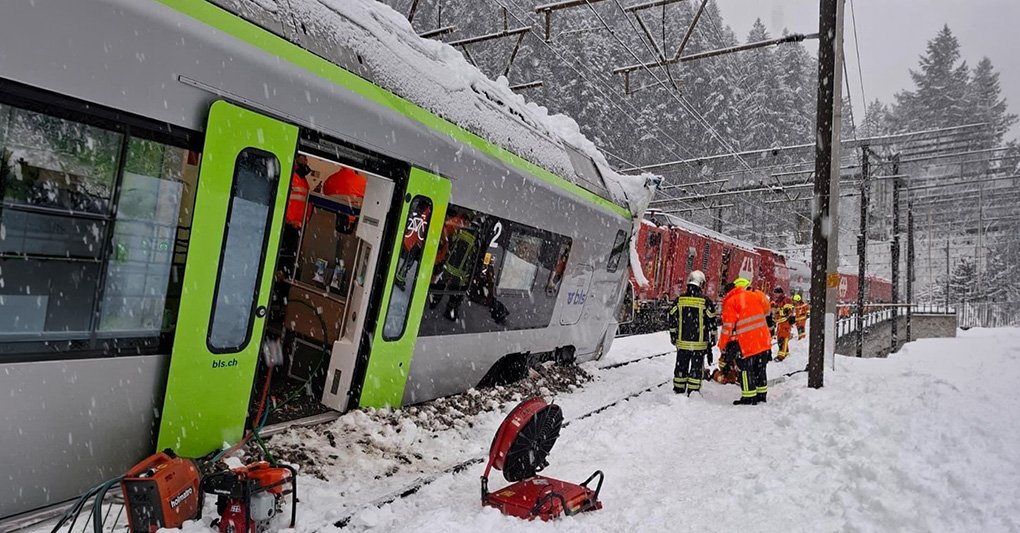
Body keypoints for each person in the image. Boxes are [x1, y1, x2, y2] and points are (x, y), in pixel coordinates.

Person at [717, 277, 772, 405]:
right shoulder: (755, 296)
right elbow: (766, 311)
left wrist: (722, 344)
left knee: (746, 370)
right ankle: (761, 395)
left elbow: (727, 326)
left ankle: (748, 397)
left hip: (746, 342)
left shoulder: (732, 301)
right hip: (763, 339)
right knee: (760, 368)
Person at [667, 270, 717, 396]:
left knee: (681, 366)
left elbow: (672, 318)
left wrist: (673, 335)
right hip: (699, 344)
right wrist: (712, 338)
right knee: (696, 367)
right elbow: (712, 321)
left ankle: (678, 388)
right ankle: (693, 391)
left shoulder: (679, 300)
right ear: (701, 284)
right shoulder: (705, 301)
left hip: (682, 342)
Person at [772, 287, 795, 361]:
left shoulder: (786, 300)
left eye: (776, 293)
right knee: (780, 338)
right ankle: (786, 352)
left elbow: (788, 311)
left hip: (785, 322)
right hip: (780, 323)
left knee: (782, 339)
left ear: (780, 293)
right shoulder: (778, 301)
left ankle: (781, 356)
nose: (775, 295)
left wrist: (779, 312)